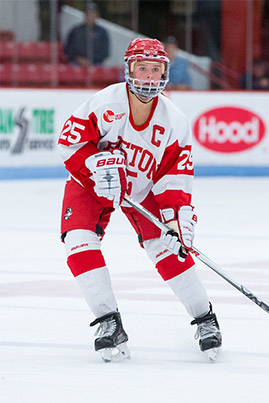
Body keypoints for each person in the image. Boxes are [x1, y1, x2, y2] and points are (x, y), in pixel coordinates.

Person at [58, 38, 222, 363]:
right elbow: (69, 142)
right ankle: (108, 323)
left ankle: (205, 318)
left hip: (143, 187)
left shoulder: (175, 122)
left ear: (165, 72)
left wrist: (177, 223)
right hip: (93, 183)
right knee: (78, 241)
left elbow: (175, 179)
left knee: (168, 248)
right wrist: (95, 164)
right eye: (142, 68)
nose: (148, 76)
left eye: (155, 69)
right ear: (129, 70)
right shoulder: (103, 102)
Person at [64, 2, 109, 67]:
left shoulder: (102, 32)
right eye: (88, 14)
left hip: (95, 63)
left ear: (97, 16)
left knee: (101, 69)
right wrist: (78, 59)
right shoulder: (75, 30)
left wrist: (91, 60)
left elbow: (105, 52)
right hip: (76, 62)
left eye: (93, 14)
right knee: (70, 69)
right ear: (84, 15)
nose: (90, 16)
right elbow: (68, 48)